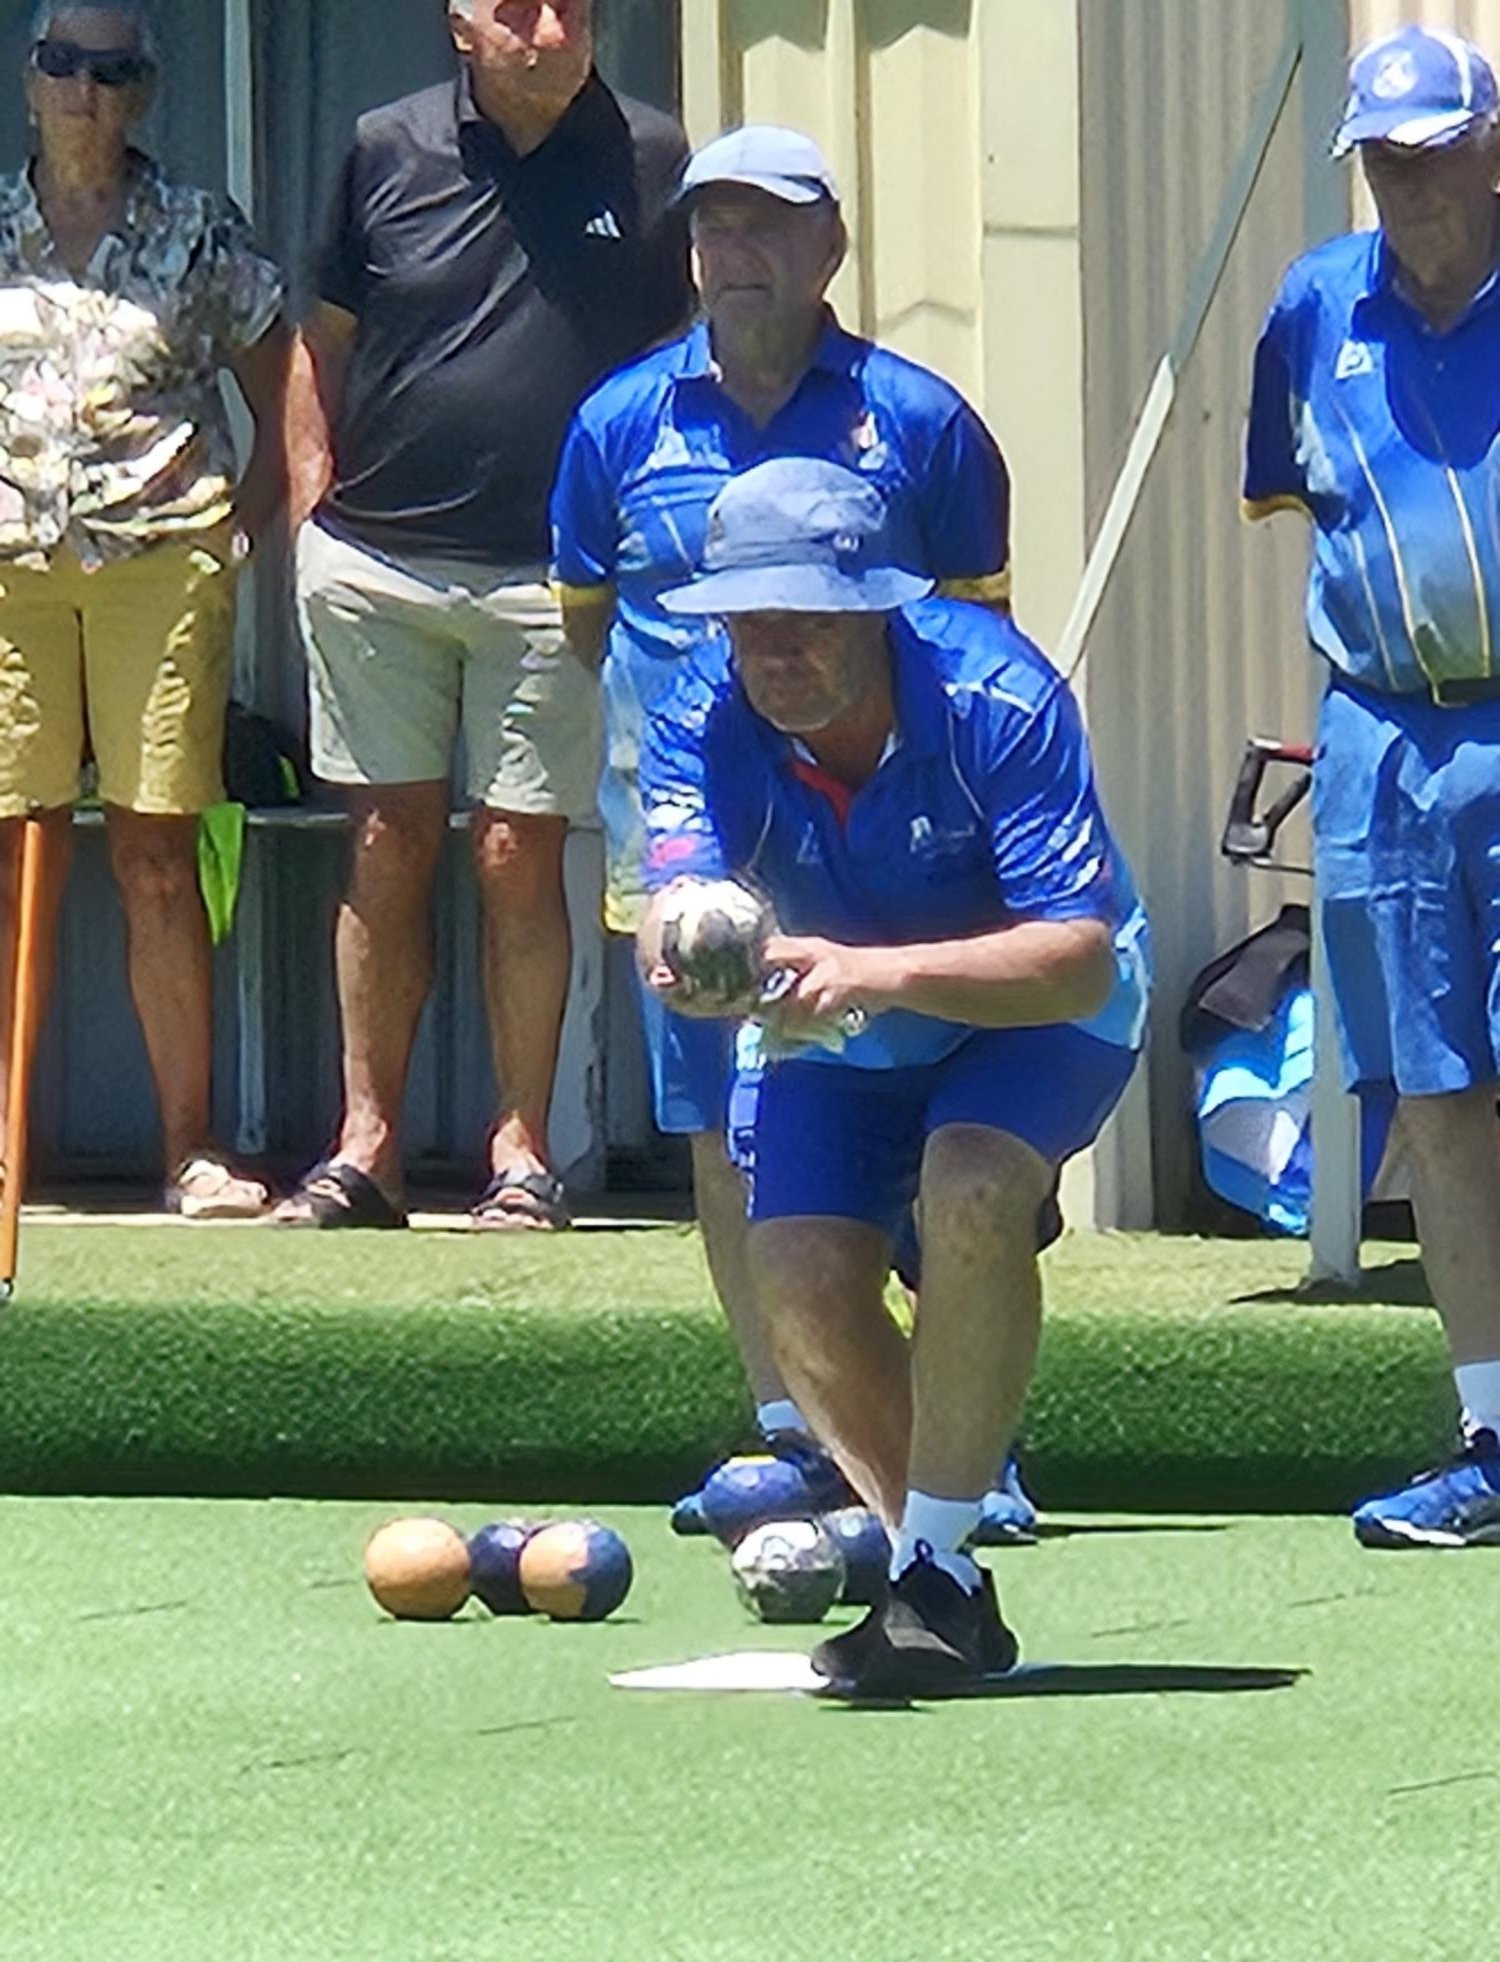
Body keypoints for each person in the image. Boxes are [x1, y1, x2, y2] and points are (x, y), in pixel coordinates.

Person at [551, 125, 1035, 1535]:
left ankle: (962, 1450)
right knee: (719, 1127)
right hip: (699, 854)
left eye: (768, 228)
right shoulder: (617, 426)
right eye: (714, 229)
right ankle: (793, 1429)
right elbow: (599, 635)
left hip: (893, 854)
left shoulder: (921, 423)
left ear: (831, 247)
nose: (735, 255)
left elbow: (967, 645)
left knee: (914, 1125)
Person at [637, 459, 1150, 1697]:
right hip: (840, 1013)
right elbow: (674, 886)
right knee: (797, 1281)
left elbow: (1074, 957)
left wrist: (877, 972)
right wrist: (680, 948)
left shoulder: (996, 694)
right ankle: (943, 1575)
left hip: (1030, 1009)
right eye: (746, 620)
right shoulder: (696, 711)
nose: (773, 649)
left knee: (972, 1180)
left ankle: (932, 1562)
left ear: (876, 605)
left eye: (805, 616)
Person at [280, 0, 690, 1230]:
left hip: (553, 578)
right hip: (377, 567)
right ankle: (369, 1148)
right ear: (462, 24)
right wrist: (310, 507)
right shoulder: (382, 148)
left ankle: (523, 1152)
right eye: (522, 9)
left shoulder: (655, 158)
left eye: (576, 9)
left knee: (519, 855)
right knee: (386, 840)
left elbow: (683, 351)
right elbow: (321, 343)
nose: (553, 29)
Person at [1246, 23, 1500, 1548]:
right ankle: (1491, 1432)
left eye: (1430, 155)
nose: (1405, 186)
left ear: (1494, 151)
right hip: (1383, 743)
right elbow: (1298, 504)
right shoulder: (1313, 305)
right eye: (1380, 161)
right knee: (1440, 1095)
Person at [0, 0, 289, 1216]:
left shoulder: (198, 227)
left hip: (162, 559)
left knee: (159, 853)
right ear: (29, 80)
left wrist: (244, 532)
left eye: (110, 72)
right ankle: (6, 1152)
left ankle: (192, 1152)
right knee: (16, 854)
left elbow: (287, 385)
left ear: (146, 91)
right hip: (10, 565)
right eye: (64, 65)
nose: (84, 92)